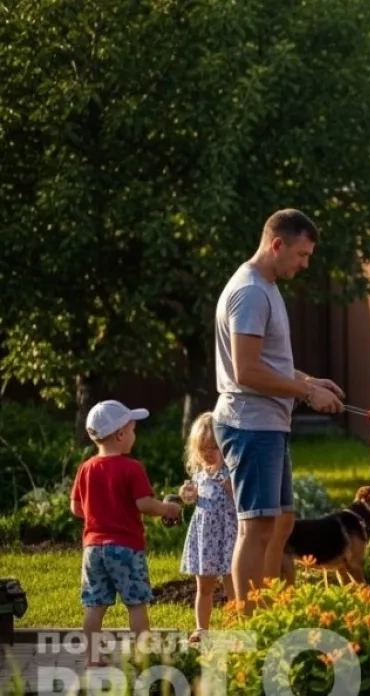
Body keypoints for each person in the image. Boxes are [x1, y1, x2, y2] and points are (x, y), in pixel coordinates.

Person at [212, 208, 344, 613]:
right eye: (302, 255)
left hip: (268, 425)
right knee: (255, 527)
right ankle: (248, 624)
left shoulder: (267, 287)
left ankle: (268, 609)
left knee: (281, 521)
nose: (305, 264)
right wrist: (304, 393)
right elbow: (247, 370)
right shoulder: (251, 291)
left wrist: (309, 380)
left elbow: (267, 361)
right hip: (249, 425)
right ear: (277, 244)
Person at [71, 400, 182, 666]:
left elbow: (76, 508)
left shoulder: (85, 468)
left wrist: (101, 512)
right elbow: (144, 504)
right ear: (120, 434)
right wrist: (167, 509)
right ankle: (144, 656)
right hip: (125, 548)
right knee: (136, 604)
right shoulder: (132, 468)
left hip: (93, 549)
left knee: (94, 605)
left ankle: (92, 657)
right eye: (133, 430)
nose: (134, 436)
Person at [177, 412, 237, 642]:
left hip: (229, 536)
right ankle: (202, 628)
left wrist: (229, 487)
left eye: (213, 447)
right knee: (204, 587)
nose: (207, 453)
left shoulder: (230, 473)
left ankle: (237, 626)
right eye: (202, 448)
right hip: (205, 540)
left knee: (233, 585)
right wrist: (187, 495)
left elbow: (239, 499)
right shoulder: (199, 476)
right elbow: (191, 498)